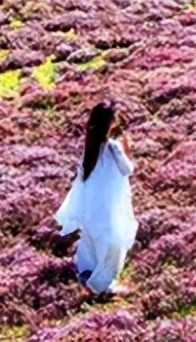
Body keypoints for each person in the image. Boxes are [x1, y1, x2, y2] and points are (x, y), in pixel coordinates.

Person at [54, 101, 137, 295]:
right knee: (113, 242)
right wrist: (122, 148)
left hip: (92, 206)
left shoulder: (90, 146)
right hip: (109, 205)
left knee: (92, 240)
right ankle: (102, 286)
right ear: (110, 122)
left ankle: (87, 273)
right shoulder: (112, 147)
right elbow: (127, 170)